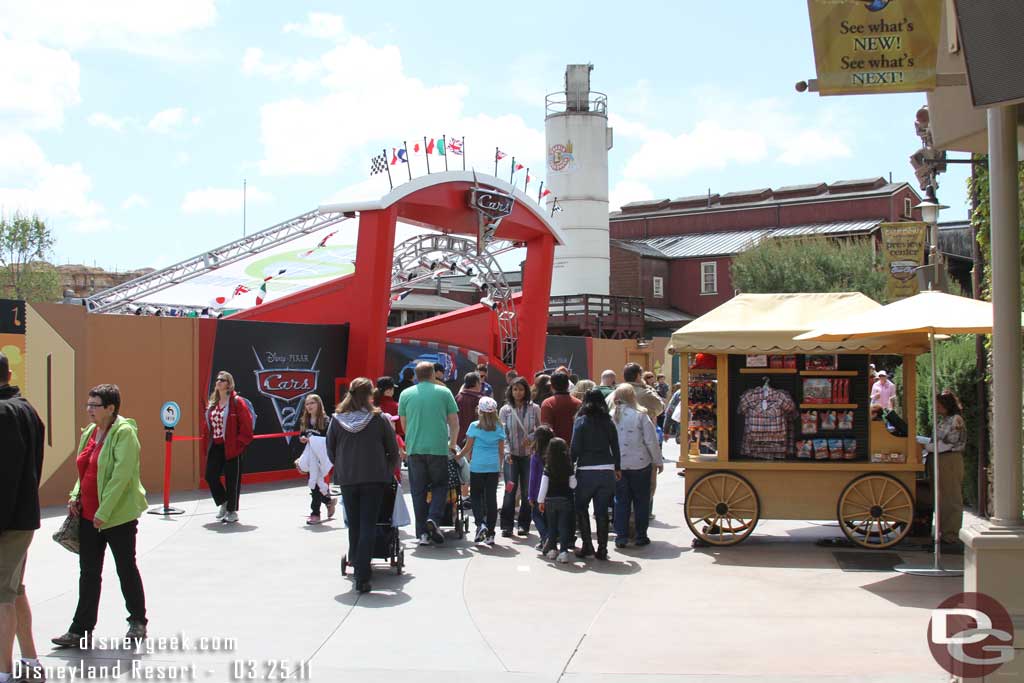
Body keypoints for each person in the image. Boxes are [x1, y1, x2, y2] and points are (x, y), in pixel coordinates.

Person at [52, 384, 148, 648]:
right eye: (88, 404)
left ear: (111, 408)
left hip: (117, 516)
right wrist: (75, 495)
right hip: (88, 516)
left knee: (125, 568)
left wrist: (104, 512)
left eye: (94, 405)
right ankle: (80, 630)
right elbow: (83, 470)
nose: (89, 410)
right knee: (89, 573)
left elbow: (121, 476)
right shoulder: (91, 432)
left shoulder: (125, 433)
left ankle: (138, 621)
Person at [327, 378, 400, 593]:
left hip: (348, 479)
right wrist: (387, 470)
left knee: (355, 524)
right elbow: (393, 450)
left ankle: (356, 561)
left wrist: (341, 465)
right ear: (370, 395)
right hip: (374, 478)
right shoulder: (379, 419)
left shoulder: (337, 419)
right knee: (369, 523)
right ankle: (362, 574)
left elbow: (331, 450)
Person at [0, 352, 45, 681]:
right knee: (14, 590)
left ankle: (4, 672)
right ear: (10, 372)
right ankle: (30, 662)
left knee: (2, 595)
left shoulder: (4, 413)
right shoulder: (28, 410)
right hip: (23, 517)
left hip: (7, 521)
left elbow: (5, 475)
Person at [399, 361, 460, 546]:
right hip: (438, 448)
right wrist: (453, 444)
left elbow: (404, 424)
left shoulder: (405, 394)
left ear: (416, 376)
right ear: (433, 374)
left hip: (415, 448)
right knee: (440, 485)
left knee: (418, 491)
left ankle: (422, 534)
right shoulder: (444, 392)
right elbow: (454, 422)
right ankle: (434, 517)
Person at [570, 389, 621, 560]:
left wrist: (570, 466)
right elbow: (615, 446)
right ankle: (603, 549)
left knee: (581, 507)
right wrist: (617, 468)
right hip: (606, 470)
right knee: (601, 512)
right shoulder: (608, 421)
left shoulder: (581, 421)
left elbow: (575, 447)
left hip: (586, 470)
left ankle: (587, 545)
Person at [610, 384, 662, 548]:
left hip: (618, 466)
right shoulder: (640, 415)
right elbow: (651, 441)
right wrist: (658, 461)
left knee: (621, 501)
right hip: (640, 464)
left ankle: (621, 536)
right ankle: (641, 536)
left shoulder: (611, 416)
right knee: (641, 501)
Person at [203, 371, 254, 524]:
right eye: (217, 379)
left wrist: (239, 444)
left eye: (222, 380)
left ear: (229, 384)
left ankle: (232, 511)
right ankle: (224, 502)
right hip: (216, 446)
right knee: (210, 476)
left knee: (232, 480)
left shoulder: (237, 402)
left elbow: (247, 425)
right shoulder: (212, 404)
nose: (218, 382)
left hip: (232, 446)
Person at [457, 397, 506, 545]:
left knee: (476, 496)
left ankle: (480, 524)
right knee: (491, 499)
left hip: (477, 466)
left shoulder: (474, 426)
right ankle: (491, 533)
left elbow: (468, 447)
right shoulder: (499, 427)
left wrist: (457, 456)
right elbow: (501, 451)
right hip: (493, 467)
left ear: (480, 410)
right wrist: (500, 467)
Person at [922, 391, 967, 548]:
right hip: (939, 458)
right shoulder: (944, 420)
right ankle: (943, 531)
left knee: (951, 497)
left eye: (939, 405)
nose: (937, 408)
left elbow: (948, 443)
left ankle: (951, 534)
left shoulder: (956, 420)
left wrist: (926, 446)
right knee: (940, 496)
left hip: (949, 458)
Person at [498, 377, 541, 538]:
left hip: (529, 456)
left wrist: (531, 437)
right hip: (511, 457)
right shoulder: (505, 410)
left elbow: (542, 428)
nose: (518, 392)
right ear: (510, 390)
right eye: (515, 389)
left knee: (526, 492)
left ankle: (524, 524)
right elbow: (502, 434)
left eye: (521, 389)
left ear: (526, 391)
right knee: (510, 490)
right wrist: (507, 452)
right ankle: (507, 525)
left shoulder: (534, 408)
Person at [295, 394, 336, 525]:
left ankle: (315, 513)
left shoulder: (326, 420)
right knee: (315, 485)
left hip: (320, 457)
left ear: (319, 404)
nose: (309, 406)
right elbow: (302, 434)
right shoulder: (304, 420)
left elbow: (328, 440)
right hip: (310, 456)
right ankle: (328, 502)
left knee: (315, 484)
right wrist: (302, 438)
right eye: (307, 404)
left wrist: (313, 440)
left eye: (312, 403)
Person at [537, 437, 575, 563]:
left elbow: (543, 486)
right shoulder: (568, 467)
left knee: (552, 526)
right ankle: (564, 551)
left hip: (550, 501)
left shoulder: (548, 467)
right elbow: (573, 485)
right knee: (563, 526)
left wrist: (540, 501)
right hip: (565, 499)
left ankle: (552, 549)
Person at [528, 425, 555, 553]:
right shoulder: (555, 454)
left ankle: (546, 538)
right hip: (553, 491)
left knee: (536, 516)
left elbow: (533, 478)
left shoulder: (536, 456)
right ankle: (547, 539)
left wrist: (530, 496)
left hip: (539, 493)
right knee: (550, 518)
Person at [541, 372, 582, 445]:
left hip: (553, 449)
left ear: (551, 386)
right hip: (575, 448)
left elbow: (545, 431)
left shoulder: (547, 403)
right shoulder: (579, 404)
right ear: (568, 385)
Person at [455, 372, 484, 447]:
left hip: (458, 438)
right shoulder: (480, 400)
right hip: (475, 439)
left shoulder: (458, 398)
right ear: (476, 383)